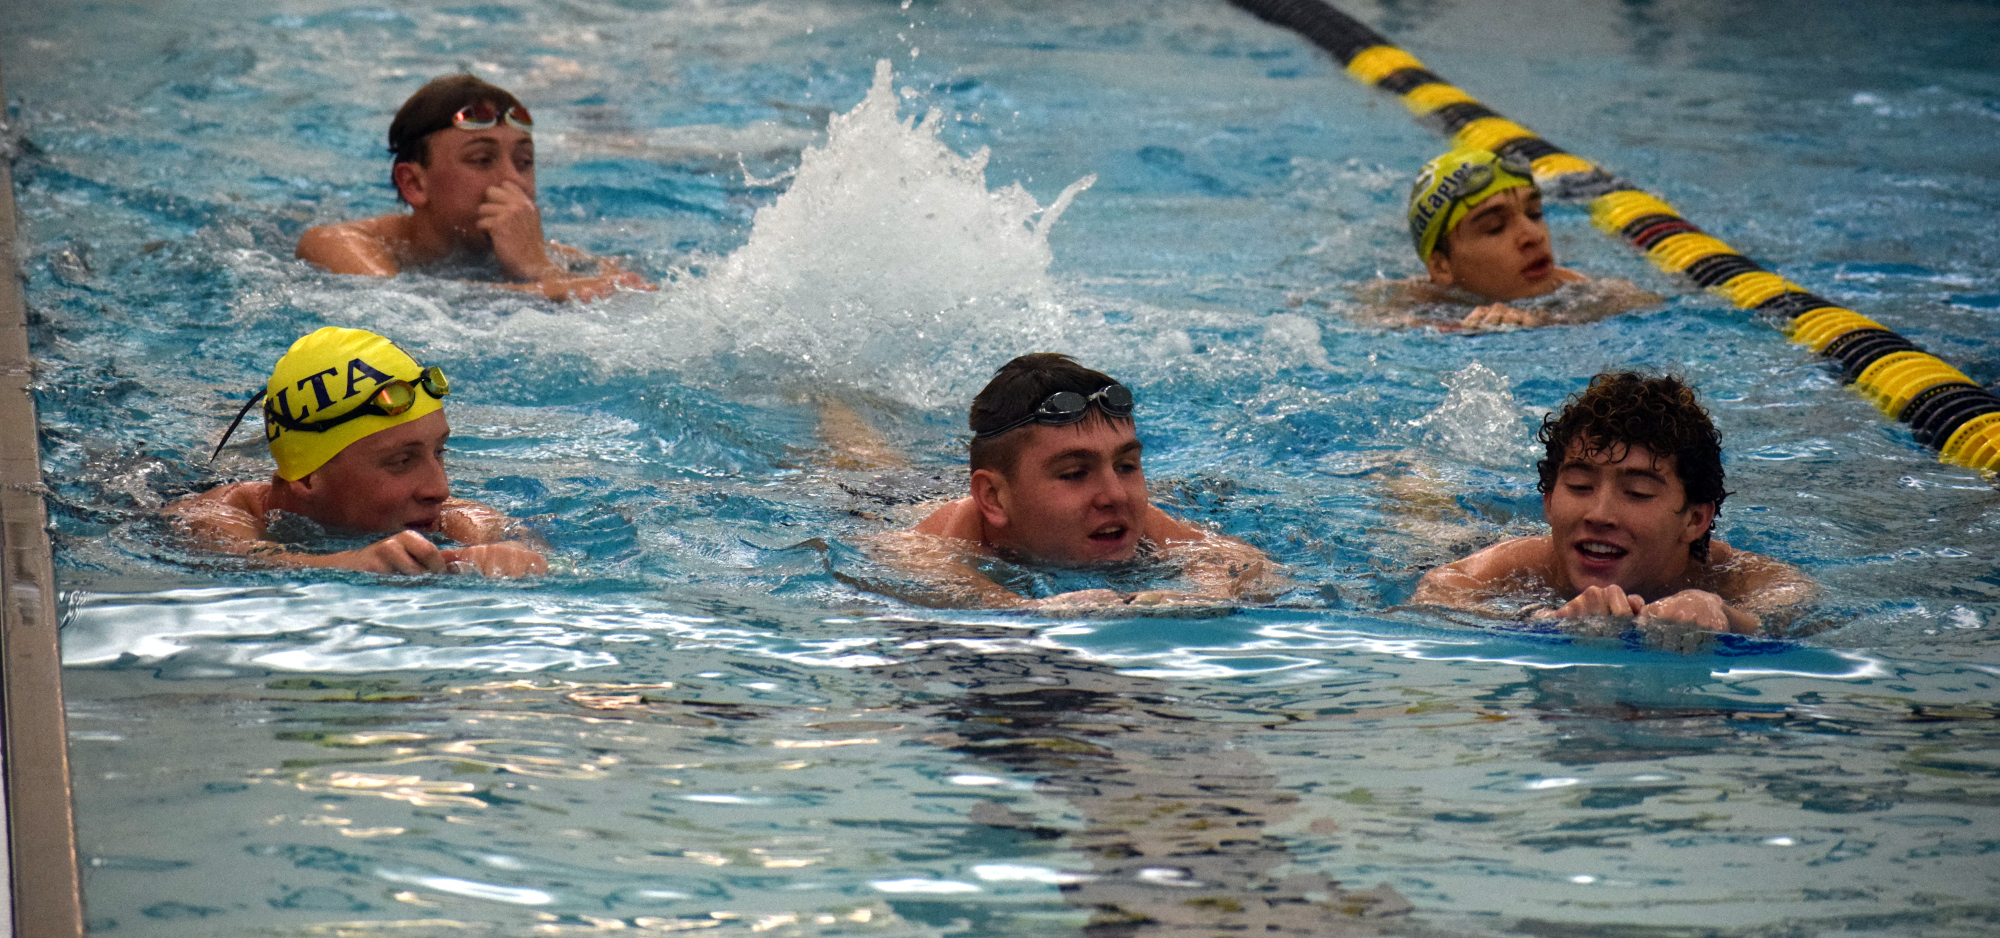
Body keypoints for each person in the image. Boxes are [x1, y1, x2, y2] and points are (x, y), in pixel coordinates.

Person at [1414, 372, 1814, 634]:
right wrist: (1540, 619)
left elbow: (1791, 608)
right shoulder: (1520, 569)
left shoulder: (1737, 579)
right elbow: (1437, 594)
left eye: (1637, 493)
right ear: (1550, 501)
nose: (1600, 514)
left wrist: (1725, 617)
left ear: (1695, 519)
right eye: (1580, 486)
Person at [876, 353, 1281, 608]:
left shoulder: (1142, 519)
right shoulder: (940, 540)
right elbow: (928, 582)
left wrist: (1206, 595)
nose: (1115, 496)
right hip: (893, 496)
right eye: (1074, 474)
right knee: (869, 456)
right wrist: (1040, 609)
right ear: (995, 498)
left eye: (1126, 466)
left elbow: (1249, 566)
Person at [170, 327, 547, 577]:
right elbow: (237, 556)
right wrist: (351, 564)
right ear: (306, 475)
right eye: (401, 461)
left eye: (439, 451)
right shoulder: (208, 516)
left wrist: (510, 551)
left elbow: (492, 525)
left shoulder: (436, 512)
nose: (440, 489)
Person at [295, 75, 650, 302]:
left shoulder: (542, 252)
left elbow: (632, 289)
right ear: (414, 183)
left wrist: (542, 270)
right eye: (482, 160)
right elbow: (397, 302)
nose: (512, 180)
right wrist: (544, 279)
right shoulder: (337, 244)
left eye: (524, 162)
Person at [1362, 147, 1656, 330]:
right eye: (1494, 228)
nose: (1532, 236)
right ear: (1441, 267)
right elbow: (1369, 318)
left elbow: (1642, 303)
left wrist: (1543, 322)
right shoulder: (1409, 301)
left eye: (1535, 213)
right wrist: (1458, 328)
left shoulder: (1583, 294)